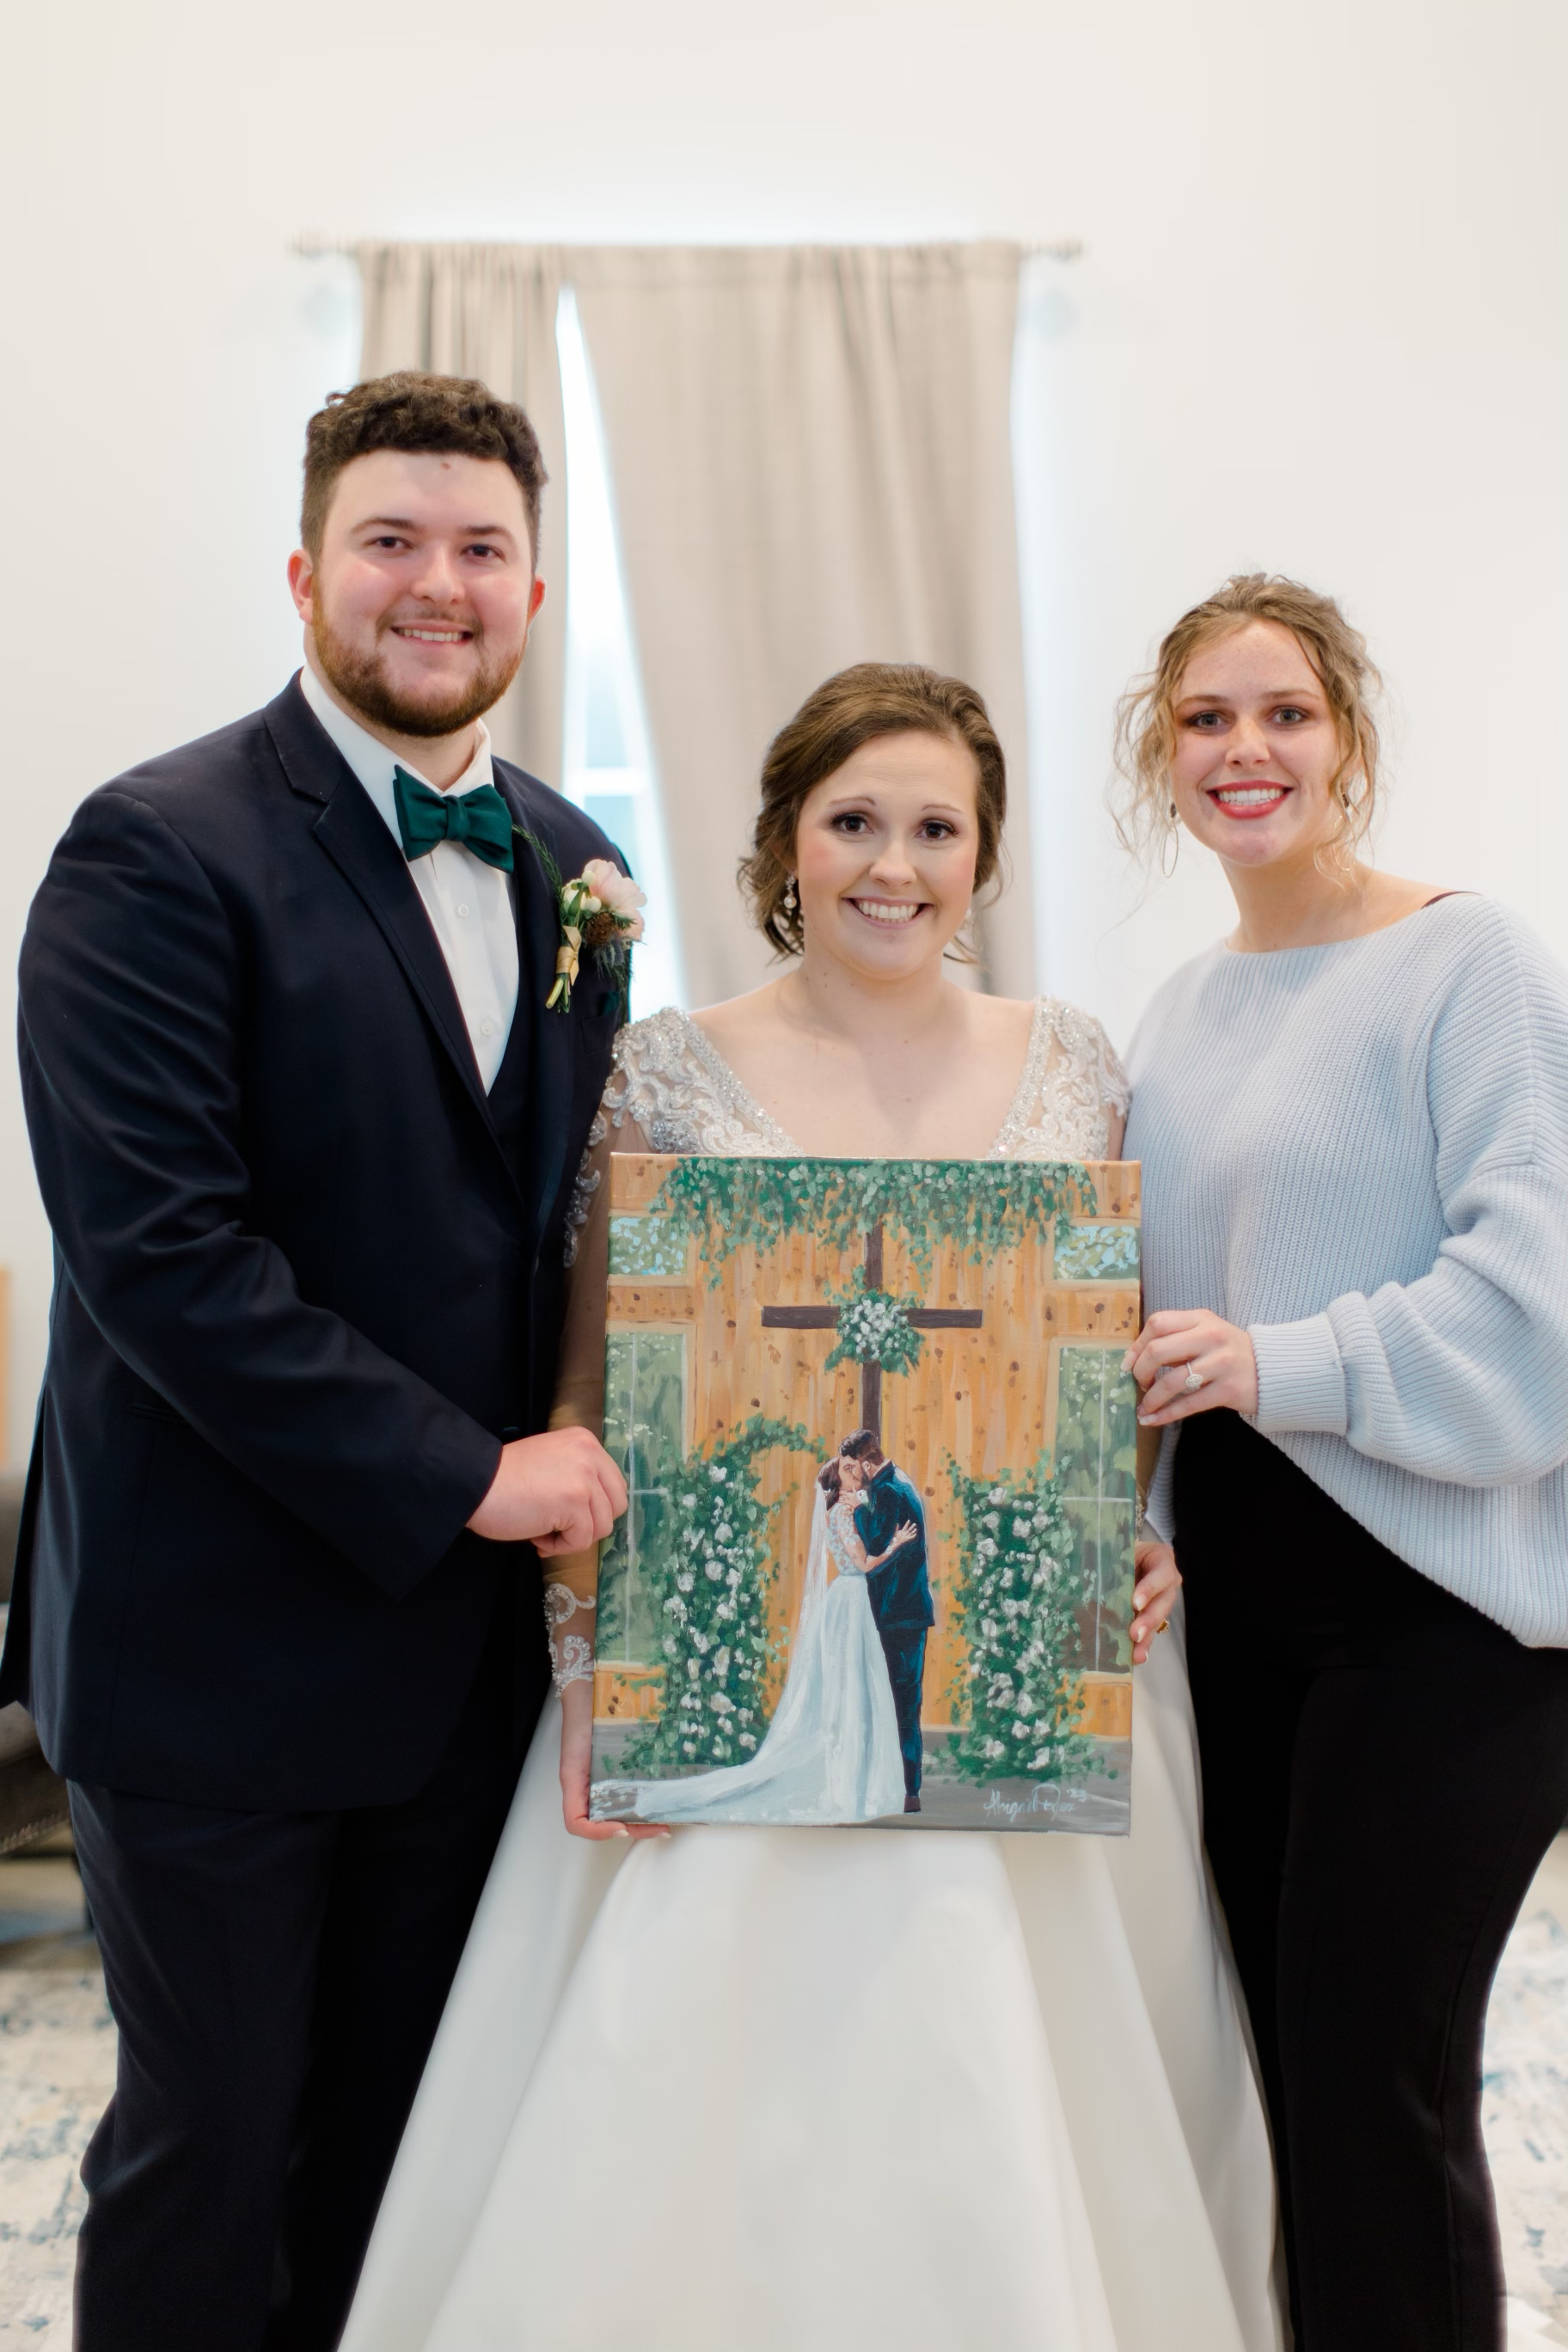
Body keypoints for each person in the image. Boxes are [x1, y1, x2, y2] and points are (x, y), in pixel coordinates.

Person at [342, 661, 1285, 2352]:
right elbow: (590, 1397)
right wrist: (592, 1666)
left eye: (936, 829)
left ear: (982, 857)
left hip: (1018, 1677)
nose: (892, 865)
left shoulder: (1073, 1063)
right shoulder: (668, 1068)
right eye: (853, 821)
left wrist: (1135, 1531)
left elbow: (1090, 1361)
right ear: (785, 840)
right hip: (729, 1684)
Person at [2, 371, 630, 2352]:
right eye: (390, 540)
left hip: (459, 1665)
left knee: (398, 2147)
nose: (436, 584)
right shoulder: (152, 847)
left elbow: (586, 1237)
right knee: (212, 2143)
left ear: (535, 593)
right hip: (216, 1652)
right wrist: (473, 1472)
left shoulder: (574, 862)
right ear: (304, 573)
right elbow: (162, 1262)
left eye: (480, 548)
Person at [1118, 574, 1568, 2352]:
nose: (1245, 749)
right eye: (1205, 719)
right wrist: (1137, 1523)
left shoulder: (1466, 963)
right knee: (1281, 2091)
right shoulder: (1172, 1014)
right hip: (1239, 1616)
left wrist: (1277, 1359)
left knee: (1374, 2088)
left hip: (1440, 1617)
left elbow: (1533, 1309)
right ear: (1162, 759)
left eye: (1284, 712)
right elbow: (1149, 1328)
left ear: (1348, 742)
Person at [598, 1449, 911, 1824]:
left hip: (845, 1599)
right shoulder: (843, 1514)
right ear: (837, 1483)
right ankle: (855, 1784)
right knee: (854, 1685)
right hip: (852, 1599)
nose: (855, 1471)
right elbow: (864, 1564)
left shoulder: (839, 1511)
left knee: (855, 1684)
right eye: (847, 1469)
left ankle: (859, 1779)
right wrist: (896, 1544)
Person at [845, 1427, 934, 1808]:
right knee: (906, 1703)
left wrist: (857, 1510)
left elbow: (877, 1547)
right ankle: (907, 1788)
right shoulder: (902, 1482)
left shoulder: (886, 1492)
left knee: (898, 1703)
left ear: (866, 1464)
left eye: (854, 1467)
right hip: (910, 1612)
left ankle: (905, 1790)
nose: (854, 1475)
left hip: (896, 1615)